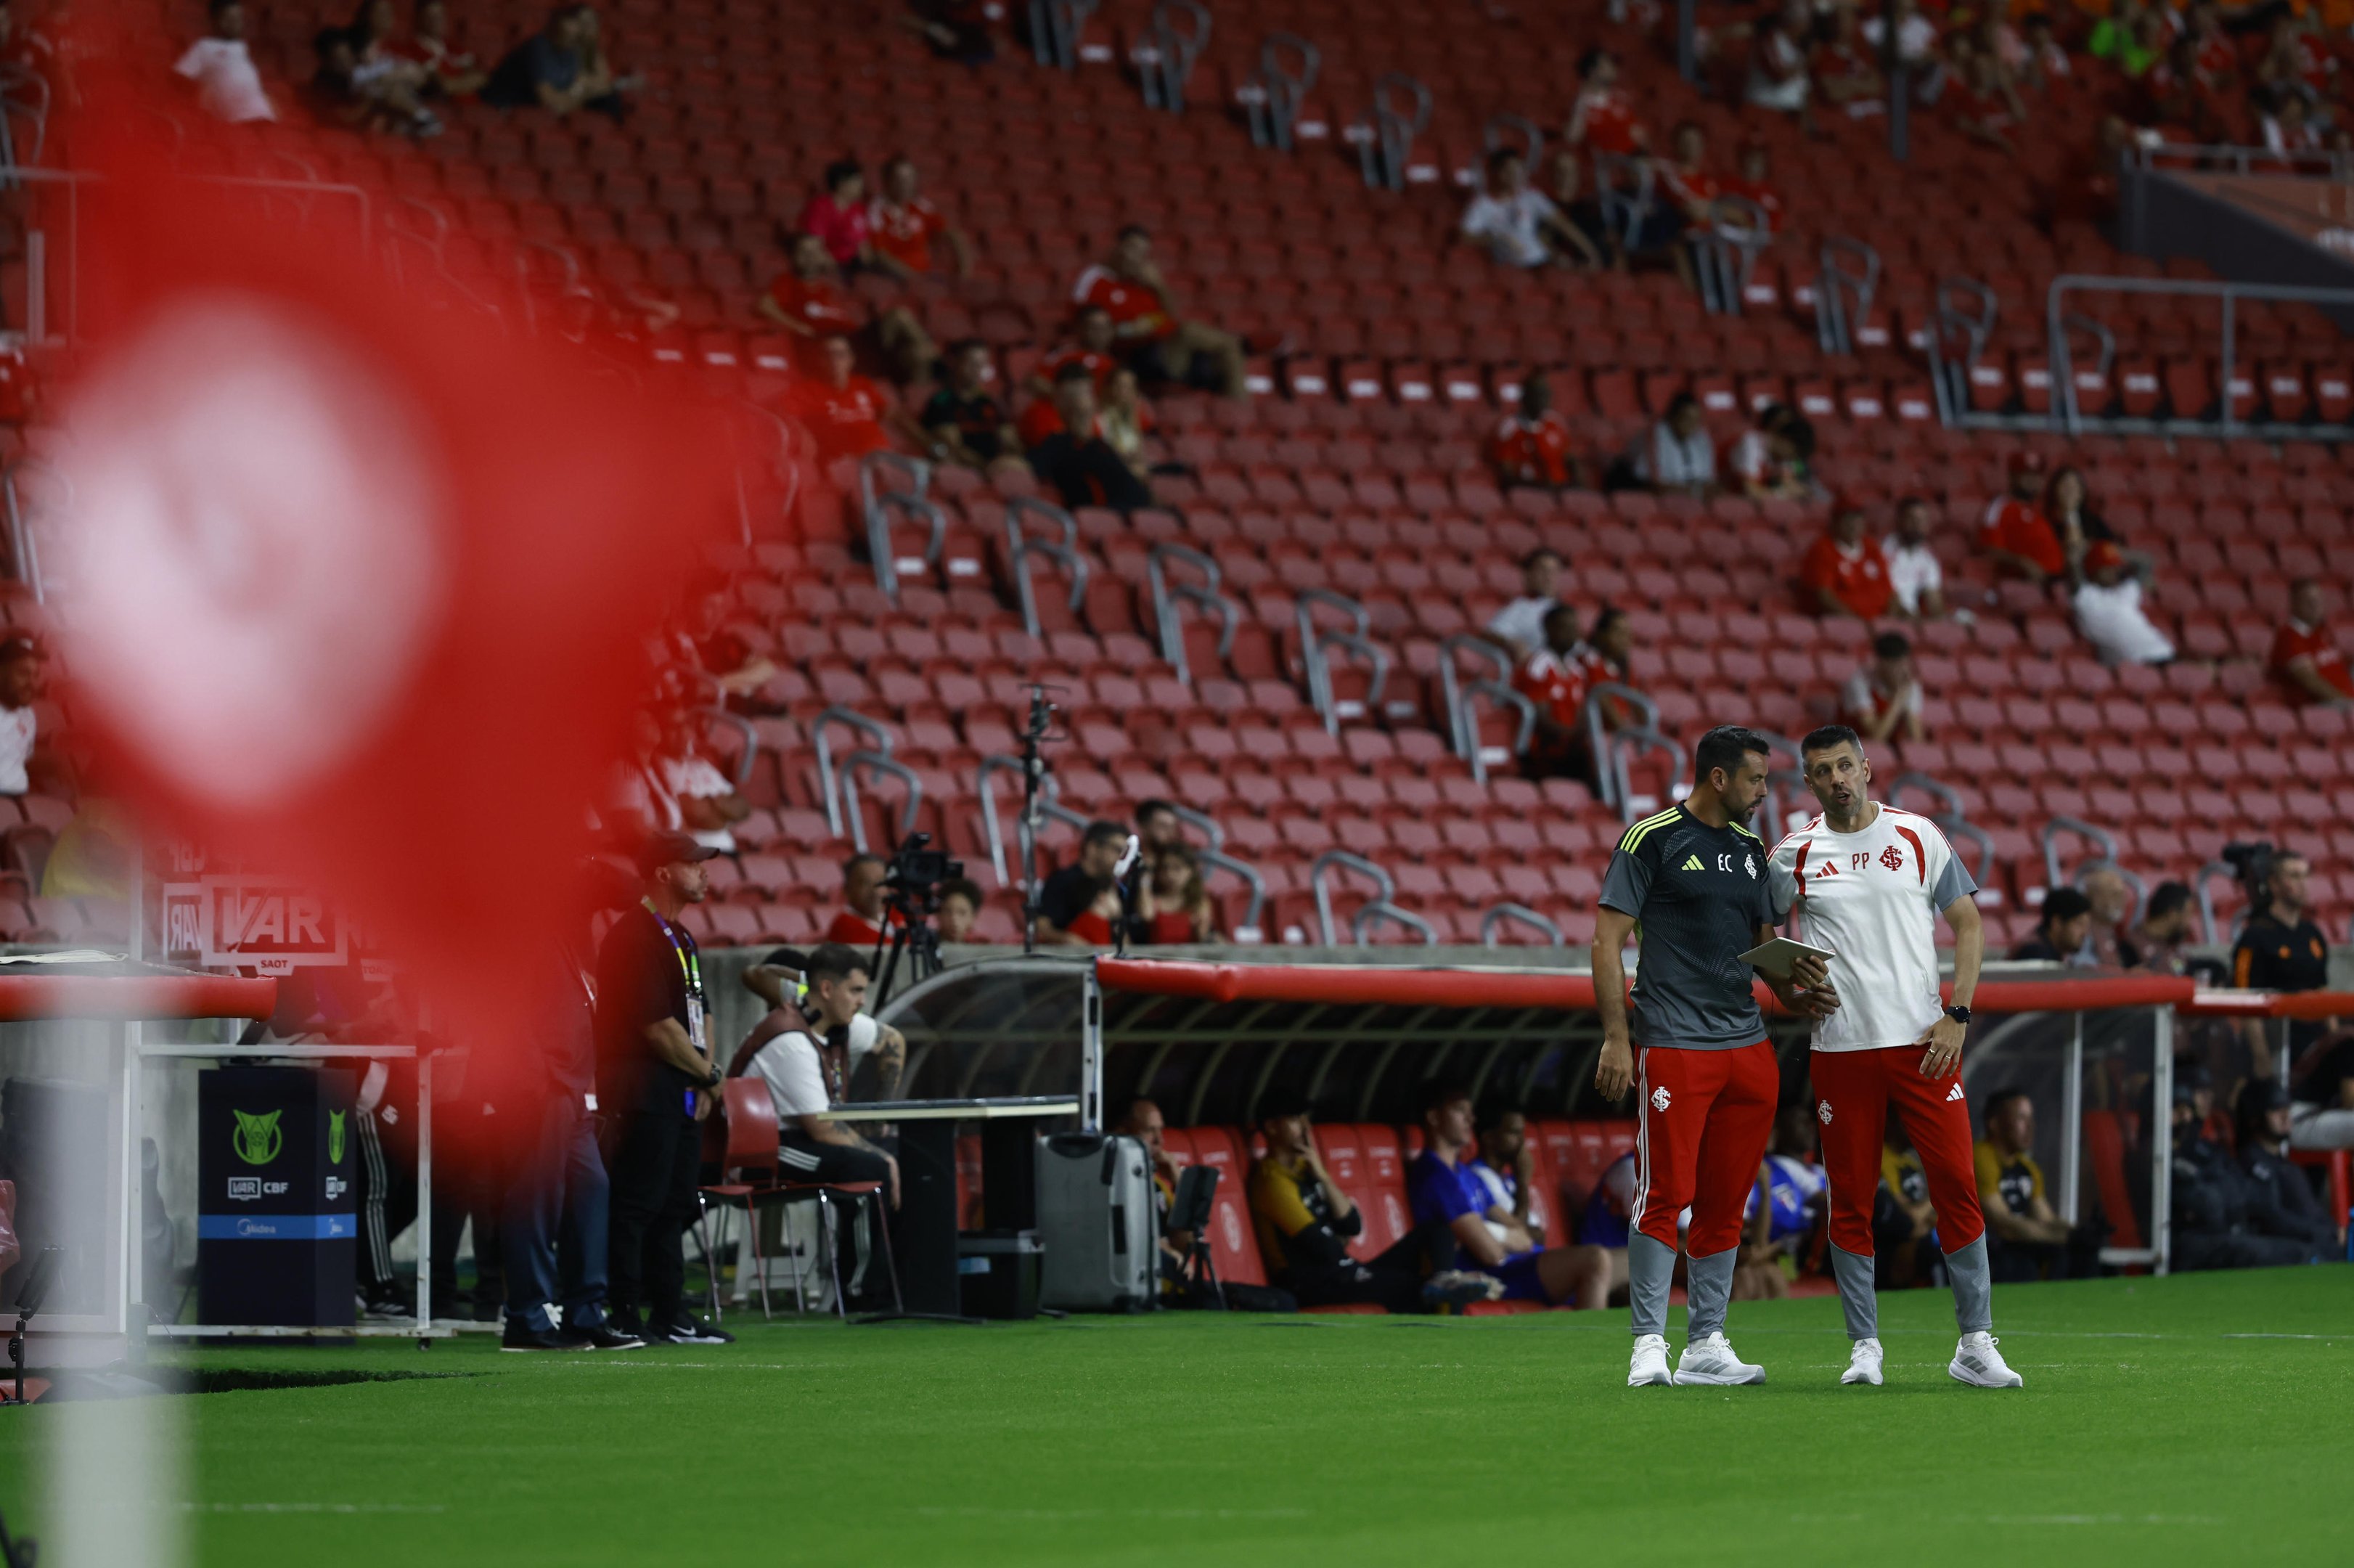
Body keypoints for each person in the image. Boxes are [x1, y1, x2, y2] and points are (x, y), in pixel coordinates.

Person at [1767, 725, 2017, 1388]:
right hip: (1840, 1048)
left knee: (1956, 1186)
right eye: (1822, 771)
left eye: (1845, 765)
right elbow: (1760, 938)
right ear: (1809, 782)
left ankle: (1975, 1341)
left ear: (1867, 768)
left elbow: (1968, 924)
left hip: (1923, 1044)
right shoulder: (1790, 854)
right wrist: (1789, 992)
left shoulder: (1917, 835)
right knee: (1848, 1196)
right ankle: (1864, 1346)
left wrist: (1956, 1016)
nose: (1837, 780)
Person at [1594, 725, 1826, 1387]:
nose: (1762, 792)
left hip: (1747, 1046)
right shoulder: (1651, 839)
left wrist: (1795, 984)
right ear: (1718, 778)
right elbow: (1605, 942)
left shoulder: (1752, 849)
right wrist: (1617, 1036)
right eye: (1754, 779)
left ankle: (1705, 1342)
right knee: (1663, 1192)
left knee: (1726, 1201)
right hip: (1672, 1040)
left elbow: (1761, 943)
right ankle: (1646, 1343)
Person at [595, 830, 733, 1344]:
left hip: (681, 1087)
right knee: (637, 1203)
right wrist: (707, 1075)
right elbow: (655, 1027)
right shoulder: (634, 938)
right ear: (662, 872)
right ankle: (624, 1311)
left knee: (674, 1202)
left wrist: (706, 1077)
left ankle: (670, 1313)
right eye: (694, 863)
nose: (704, 872)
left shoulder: (681, 938)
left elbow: (703, 1012)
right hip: (641, 1087)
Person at [502, 868, 645, 1351]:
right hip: (544, 1091)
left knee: (592, 1189)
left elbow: (627, 888)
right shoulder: (525, 933)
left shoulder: (562, 937)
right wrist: (538, 1078)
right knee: (535, 1200)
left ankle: (585, 1313)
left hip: (572, 1091)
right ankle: (527, 1318)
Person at [1251, 1093, 1485, 1311]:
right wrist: (1351, 1260)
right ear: (1272, 1127)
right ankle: (1440, 1320)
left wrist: (1322, 1175)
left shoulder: (1308, 1168)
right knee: (1412, 1287)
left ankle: (1443, 1281)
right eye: (1294, 1120)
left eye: (1305, 1119)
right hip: (1310, 1285)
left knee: (1437, 1232)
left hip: (1341, 1272)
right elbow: (1321, 1246)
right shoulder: (1272, 1181)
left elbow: (1352, 1225)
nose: (1305, 1128)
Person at [1423, 1092, 1613, 1308]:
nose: (1470, 1120)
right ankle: (1591, 1342)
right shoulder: (1437, 1175)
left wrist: (1492, 1232)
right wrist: (1501, 1235)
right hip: (1489, 1276)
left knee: (1629, 1262)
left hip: (1517, 1264)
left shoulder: (1465, 1175)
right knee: (1595, 1259)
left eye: (1470, 1112)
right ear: (1434, 1118)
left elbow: (1526, 1236)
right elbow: (1491, 1253)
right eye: (1459, 1111)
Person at [742, 944, 902, 1200]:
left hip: (804, 1135)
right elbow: (822, 1129)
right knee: (872, 1164)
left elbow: (893, 1041)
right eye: (856, 991)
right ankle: (861, 1241)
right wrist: (878, 1154)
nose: (863, 1002)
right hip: (767, 1147)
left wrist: (877, 1123)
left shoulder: (839, 1022)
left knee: (907, 1153)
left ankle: (900, 1240)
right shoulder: (792, 1036)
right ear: (826, 989)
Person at [1071, 226, 1247, 400]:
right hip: (1137, 357)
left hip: (1169, 352)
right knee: (1191, 331)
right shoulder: (1095, 278)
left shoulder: (1144, 284)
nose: (1137, 258)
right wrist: (1129, 330)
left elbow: (1171, 317)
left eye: (1143, 253)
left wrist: (1159, 286)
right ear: (1118, 247)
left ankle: (1240, 415)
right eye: (1133, 248)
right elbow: (1082, 324)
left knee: (1228, 354)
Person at [2169, 1077, 2316, 1270]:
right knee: (2295, 1254)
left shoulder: (2208, 1151)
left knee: (2298, 1251)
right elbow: (2205, 1202)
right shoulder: (2158, 1157)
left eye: (2187, 1108)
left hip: (2227, 1234)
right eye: (2177, 1109)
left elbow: (2241, 1193)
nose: (2185, 1116)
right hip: (2189, 1242)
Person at [2232, 849, 2338, 1111]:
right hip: (2279, 1043)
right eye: (2294, 876)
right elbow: (2246, 998)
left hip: (2314, 1044)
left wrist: (2336, 1040)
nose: (2303, 883)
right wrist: (2261, 1056)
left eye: (2306, 875)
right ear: (2274, 884)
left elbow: (2322, 989)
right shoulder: (2255, 936)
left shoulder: (2312, 934)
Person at [760, 234, 935, 385]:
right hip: (829, 345)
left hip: (853, 340)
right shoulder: (787, 282)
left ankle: (930, 369)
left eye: (815, 251)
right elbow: (765, 306)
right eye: (804, 252)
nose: (811, 257)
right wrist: (798, 326)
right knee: (899, 319)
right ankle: (938, 365)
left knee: (911, 344)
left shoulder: (828, 285)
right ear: (792, 257)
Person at [1974, 1089, 2087, 1281]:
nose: (2031, 1126)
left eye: (2031, 1119)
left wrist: (2079, 1233)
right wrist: (2067, 1238)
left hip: (2018, 1242)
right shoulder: (1981, 1157)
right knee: (2022, 1263)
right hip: (1987, 1249)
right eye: (2021, 1118)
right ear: (1994, 1124)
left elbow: (2046, 1219)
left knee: (2080, 1254)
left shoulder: (2027, 1167)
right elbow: (2003, 1224)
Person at [2233, 1080, 2341, 1259]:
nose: (2286, 1116)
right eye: (2276, 1111)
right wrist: (2322, 1233)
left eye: (2287, 1109)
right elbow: (2273, 1218)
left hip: (2321, 1242)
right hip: (2297, 1252)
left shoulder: (2286, 1164)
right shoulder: (2252, 1162)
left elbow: (2311, 1210)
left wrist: (2334, 1231)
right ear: (2255, 1118)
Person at [1024, 363, 1151, 513]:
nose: (1086, 419)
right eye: (1079, 414)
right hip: (1102, 517)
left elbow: (1134, 487)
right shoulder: (1057, 443)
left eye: (1088, 413)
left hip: (1134, 512)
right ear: (1064, 406)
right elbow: (1031, 464)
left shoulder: (1101, 445)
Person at [778, 335, 924, 464]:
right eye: (827, 355)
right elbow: (785, 415)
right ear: (819, 360)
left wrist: (926, 442)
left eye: (840, 355)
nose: (834, 361)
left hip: (881, 457)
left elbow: (890, 414)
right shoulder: (807, 390)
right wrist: (804, 432)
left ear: (851, 359)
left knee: (926, 473)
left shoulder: (862, 385)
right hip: (843, 463)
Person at [1461, 147, 1599, 271]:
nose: (1517, 176)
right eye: (1510, 171)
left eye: (1519, 170)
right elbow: (1465, 237)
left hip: (1541, 262)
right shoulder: (1482, 204)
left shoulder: (1531, 196)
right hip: (1509, 269)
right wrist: (1496, 238)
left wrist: (1590, 253)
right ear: (1498, 173)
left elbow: (1563, 224)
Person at [481, 4, 621, 118]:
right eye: (577, 23)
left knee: (608, 102)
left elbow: (595, 87)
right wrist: (574, 98)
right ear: (558, 23)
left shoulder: (573, 53)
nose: (583, 30)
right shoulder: (538, 47)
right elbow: (549, 99)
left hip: (542, 110)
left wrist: (574, 98)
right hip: (507, 109)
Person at [920, 339, 1028, 480]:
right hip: (966, 469)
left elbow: (1011, 441)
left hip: (998, 467)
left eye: (981, 365)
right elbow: (952, 446)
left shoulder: (989, 402)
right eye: (971, 363)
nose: (977, 370)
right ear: (955, 362)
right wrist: (986, 468)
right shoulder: (942, 402)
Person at [1513, 604, 1596, 781]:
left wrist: (1578, 738)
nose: (1572, 633)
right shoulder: (1538, 666)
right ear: (1549, 629)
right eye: (1565, 627)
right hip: (1543, 753)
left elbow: (1582, 711)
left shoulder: (1576, 670)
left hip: (1570, 750)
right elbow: (1539, 716)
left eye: (1575, 627)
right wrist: (1568, 738)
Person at [2071, 539, 2175, 666]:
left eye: (2115, 568)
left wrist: (2116, 554)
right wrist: (2084, 555)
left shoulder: (2125, 591)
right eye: (2107, 569)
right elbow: (2074, 569)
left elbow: (2146, 562)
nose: (2113, 572)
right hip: (2136, 665)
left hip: (2165, 653)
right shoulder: (2086, 596)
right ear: (2094, 571)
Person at [867, 155, 972, 279]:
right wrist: (913, 278)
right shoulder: (875, 210)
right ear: (886, 180)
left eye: (909, 178)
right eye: (899, 179)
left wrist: (964, 272)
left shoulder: (921, 206)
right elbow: (880, 255)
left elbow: (952, 234)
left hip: (924, 275)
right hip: (891, 279)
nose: (905, 184)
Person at [176, 0, 275, 123]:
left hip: (263, 115)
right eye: (229, 18)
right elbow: (179, 79)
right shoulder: (204, 46)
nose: (235, 23)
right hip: (236, 120)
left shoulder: (243, 47)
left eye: (238, 18)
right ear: (215, 21)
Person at [1036, 820, 1129, 946]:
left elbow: (1125, 943)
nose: (1122, 858)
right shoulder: (1062, 880)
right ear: (1093, 847)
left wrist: (1117, 917)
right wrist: (1067, 939)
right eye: (1117, 850)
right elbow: (1042, 927)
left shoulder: (1114, 884)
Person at [1801, 499, 1895, 621]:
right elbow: (1824, 596)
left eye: (1858, 520)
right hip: (1845, 623)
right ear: (1835, 523)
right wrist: (1857, 623)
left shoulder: (1871, 547)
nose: (1853, 525)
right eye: (1848, 520)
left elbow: (1889, 590)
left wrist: (1889, 620)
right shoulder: (1822, 550)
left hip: (1879, 621)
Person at [1486, 372, 1582, 491]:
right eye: (1538, 394)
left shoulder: (1556, 423)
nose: (1543, 399)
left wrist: (1578, 482)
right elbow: (1506, 475)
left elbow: (1570, 458)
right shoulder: (1510, 427)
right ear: (1525, 397)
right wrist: (1541, 487)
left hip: (1562, 489)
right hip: (1529, 491)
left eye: (1546, 394)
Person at [1977, 452, 2064, 582]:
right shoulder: (2000, 506)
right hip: (2021, 582)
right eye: (2026, 475)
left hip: (2056, 583)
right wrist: (2022, 562)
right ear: (2013, 477)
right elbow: (1990, 549)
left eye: (2036, 475)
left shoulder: (2043, 508)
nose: (2032, 481)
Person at [2269, 578, 2354, 708]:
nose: (2315, 605)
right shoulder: (2289, 636)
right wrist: (2346, 702)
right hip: (2320, 706)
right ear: (2294, 604)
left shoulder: (2320, 633)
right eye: (2308, 601)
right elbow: (2309, 680)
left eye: (2318, 600)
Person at [1619, 391, 1715, 496]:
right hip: (1653, 496)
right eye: (1687, 419)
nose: (1692, 425)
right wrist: (1691, 491)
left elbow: (1708, 481)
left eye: (1696, 420)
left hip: (1687, 495)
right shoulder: (1654, 436)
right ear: (1673, 417)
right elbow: (1653, 486)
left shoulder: (1700, 437)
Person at [383, 0, 484, 96]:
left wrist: (457, 84)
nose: (437, 22)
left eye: (440, 16)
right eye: (431, 17)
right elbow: (444, 85)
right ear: (420, 19)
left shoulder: (452, 47)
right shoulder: (414, 49)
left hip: (473, 104)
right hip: (443, 105)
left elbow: (481, 77)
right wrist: (467, 82)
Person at [1842, 630, 1925, 745]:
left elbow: (1917, 741)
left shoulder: (1910, 685)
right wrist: (1897, 699)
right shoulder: (1860, 682)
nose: (1901, 670)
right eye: (1895, 665)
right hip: (1854, 748)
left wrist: (1904, 697)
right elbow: (1875, 738)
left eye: (1904, 663)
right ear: (1880, 662)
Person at [1484, 547, 1569, 658]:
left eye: (1554, 571)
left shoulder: (1564, 609)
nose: (1549, 577)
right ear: (1528, 575)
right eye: (1543, 570)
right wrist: (1512, 643)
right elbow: (1490, 633)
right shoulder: (1520, 607)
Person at [1565, 46, 1647, 155]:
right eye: (1607, 64)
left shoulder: (1621, 98)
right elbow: (1572, 138)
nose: (1613, 68)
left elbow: (1638, 134)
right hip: (1603, 163)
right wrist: (1580, 107)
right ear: (1593, 71)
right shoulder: (1581, 103)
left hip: (1631, 161)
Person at [796, 159, 875, 272]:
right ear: (842, 183)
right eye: (857, 181)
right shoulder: (821, 207)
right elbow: (814, 246)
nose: (862, 186)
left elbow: (864, 246)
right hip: (830, 267)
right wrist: (835, 268)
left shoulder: (859, 209)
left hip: (856, 267)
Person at [1882, 496, 1949, 620]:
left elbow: (1933, 598)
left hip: (1912, 619)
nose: (1917, 525)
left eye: (1922, 520)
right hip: (1887, 616)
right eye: (1911, 519)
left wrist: (1944, 620)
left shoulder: (1928, 557)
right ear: (1899, 521)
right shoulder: (1883, 550)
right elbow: (1884, 594)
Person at [1135, 842, 1214, 944]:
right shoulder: (1155, 901)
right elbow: (1146, 914)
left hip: (1187, 957)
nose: (1170, 874)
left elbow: (1203, 937)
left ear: (1191, 871)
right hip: (1156, 957)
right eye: (1165, 868)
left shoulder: (1199, 902)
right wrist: (1146, 877)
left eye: (1177, 868)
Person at [1727, 404, 1807, 501]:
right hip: (1736, 501)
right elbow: (1751, 492)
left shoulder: (1783, 455)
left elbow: (1792, 486)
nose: (1792, 457)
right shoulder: (1751, 444)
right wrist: (1782, 494)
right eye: (1780, 424)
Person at [822, 852, 898, 947]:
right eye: (865, 883)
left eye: (880, 882)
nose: (875, 891)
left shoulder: (898, 914)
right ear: (847, 889)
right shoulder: (844, 927)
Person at [2011, 886, 2092, 963]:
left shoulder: (2047, 950)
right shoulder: (2036, 953)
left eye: (2086, 925)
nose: (2085, 933)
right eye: (2079, 924)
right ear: (2057, 923)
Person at [2132, 881, 2197, 976]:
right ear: (2172, 914)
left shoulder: (2172, 946)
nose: (2189, 922)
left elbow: (2183, 970)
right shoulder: (2132, 946)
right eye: (2188, 914)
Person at [0, 639, 38, 798]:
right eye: (23, 673)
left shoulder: (28, 715)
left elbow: (24, 761)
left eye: (35, 675)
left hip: (18, 800)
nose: (32, 683)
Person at [936, 877, 983, 944]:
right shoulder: (925, 944)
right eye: (948, 911)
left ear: (973, 916)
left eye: (962, 913)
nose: (954, 919)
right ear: (938, 914)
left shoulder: (982, 946)